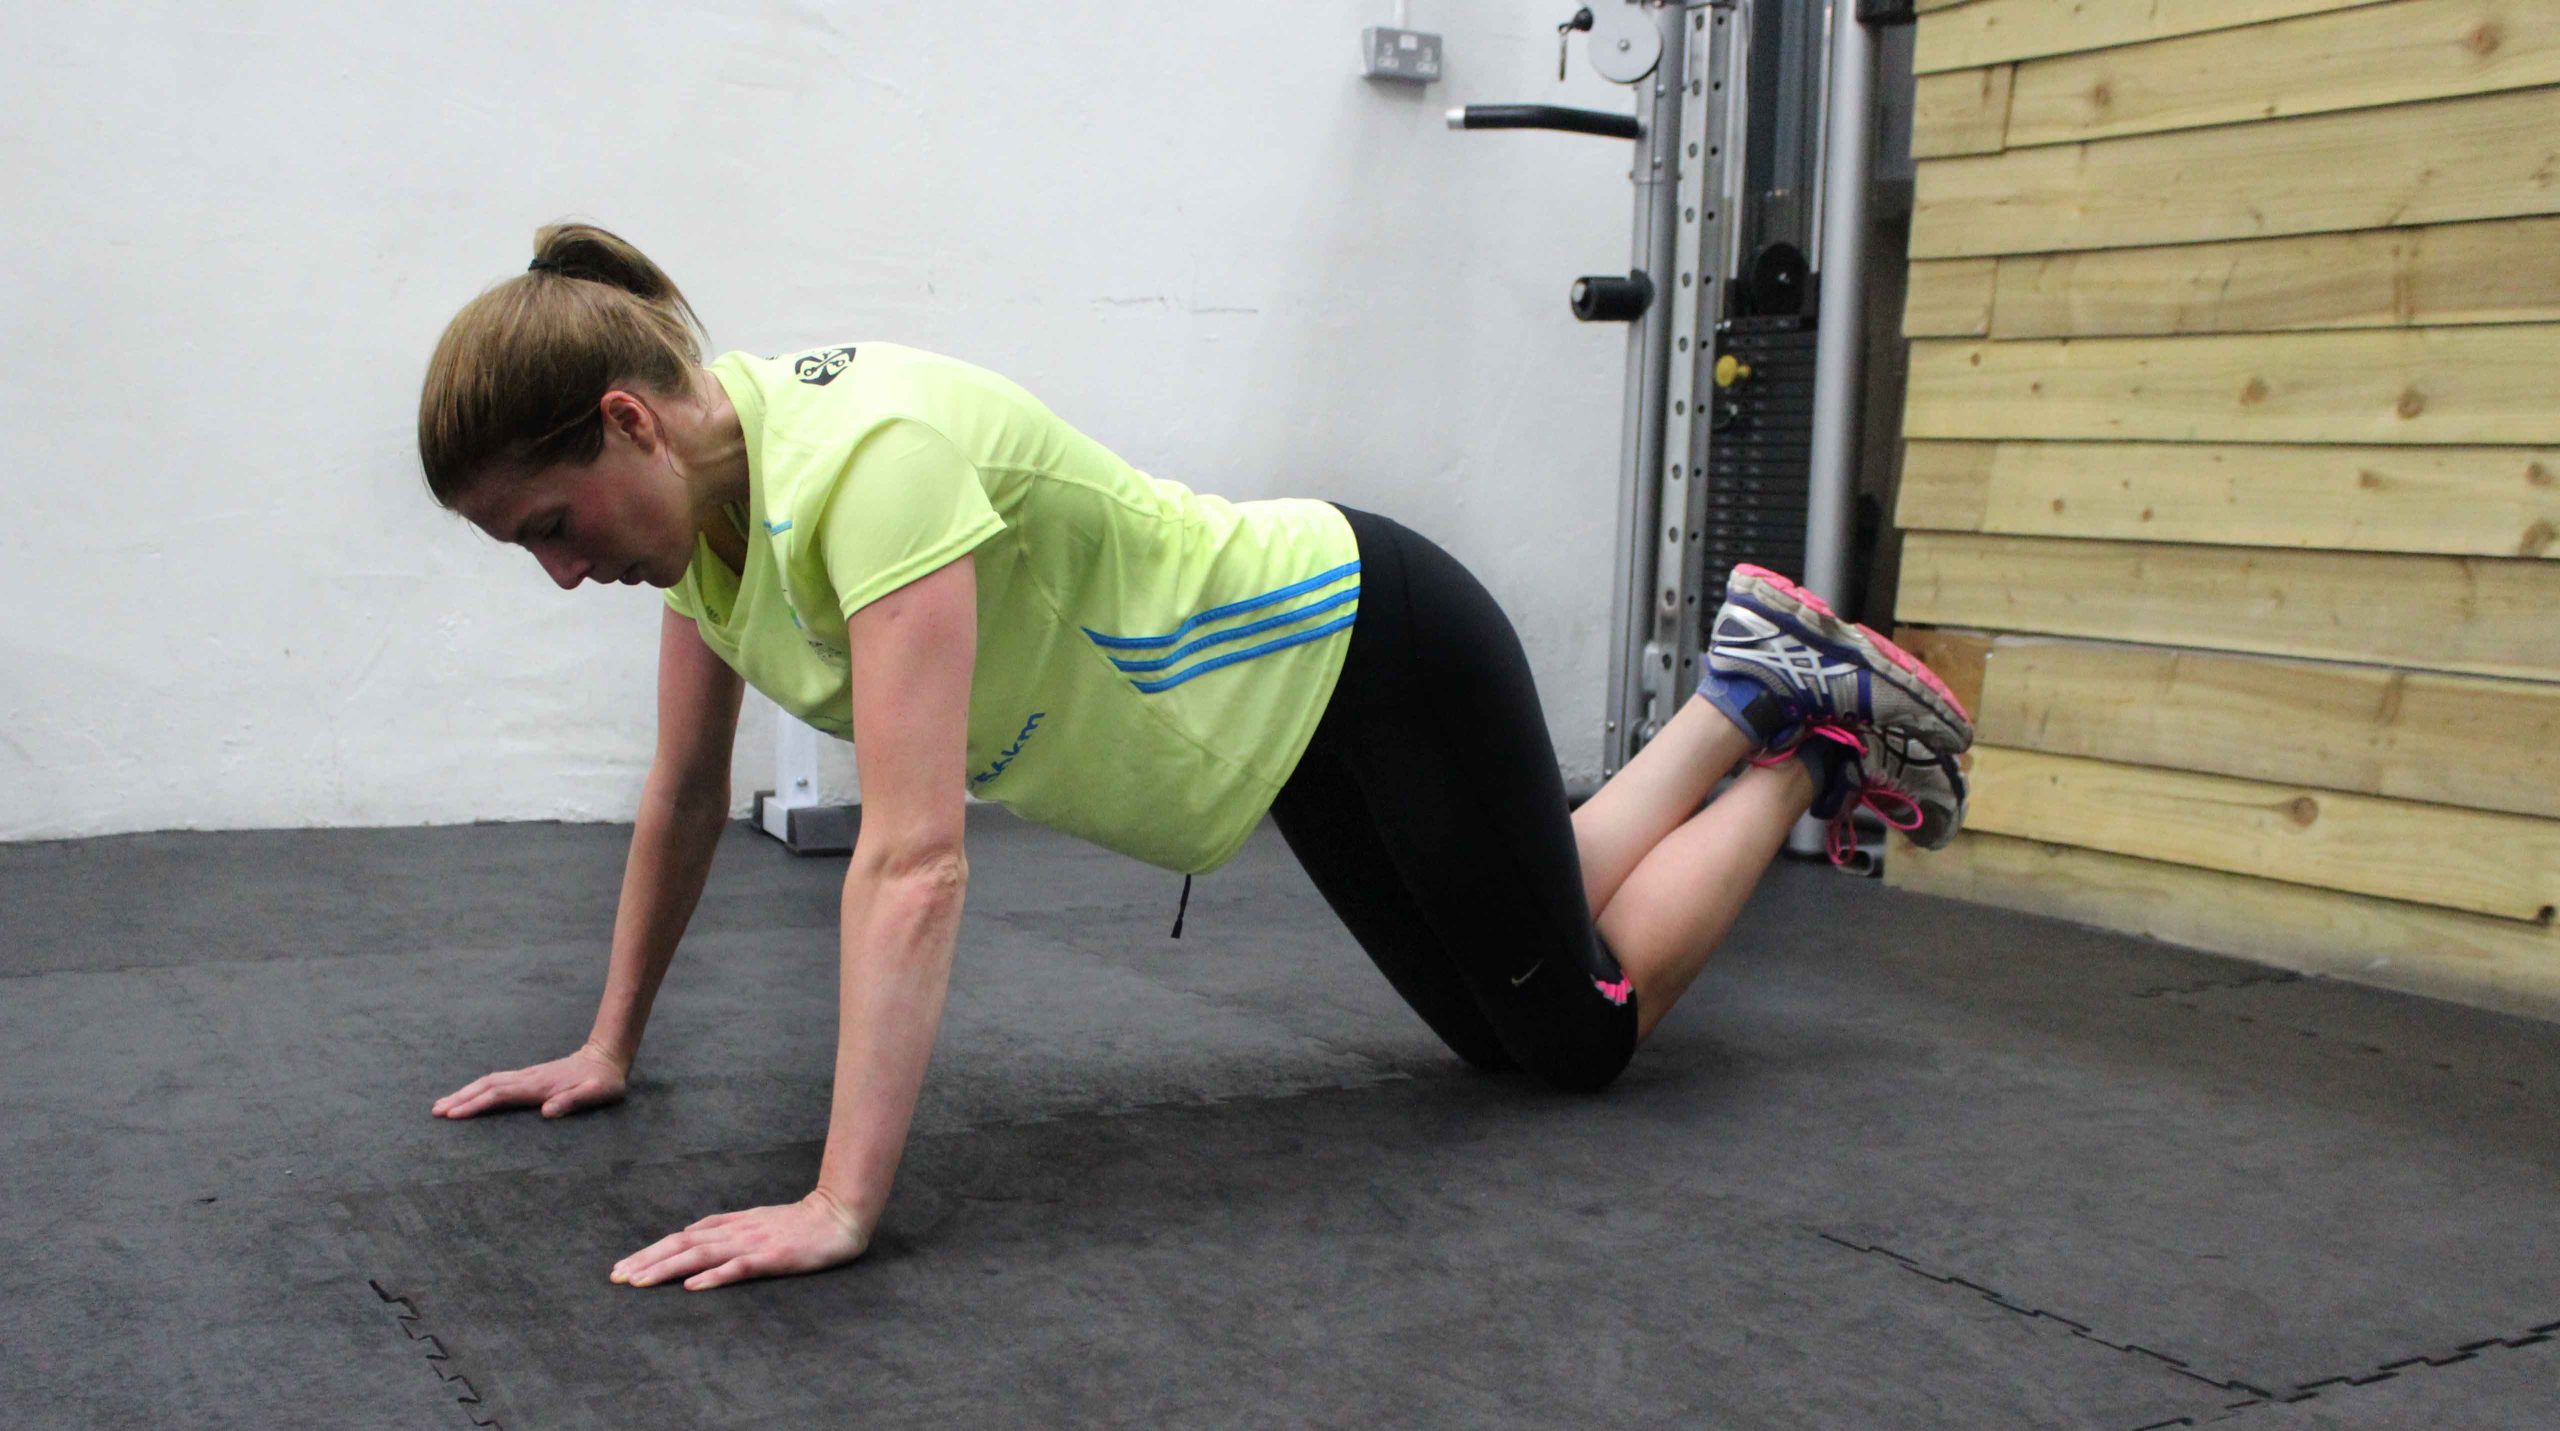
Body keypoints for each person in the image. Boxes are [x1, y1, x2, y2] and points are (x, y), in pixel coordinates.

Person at [418, 223, 1974, 1293]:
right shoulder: (699, 527)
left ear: (626, 421)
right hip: (1291, 721)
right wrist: (607, 1045)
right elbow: (687, 794)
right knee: (1509, 987)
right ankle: (1755, 682)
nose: (560, 572)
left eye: (550, 525)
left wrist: (840, 1204)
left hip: (1377, 646)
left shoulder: (864, 467)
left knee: (1573, 1040)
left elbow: (913, 857)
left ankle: (1787, 735)